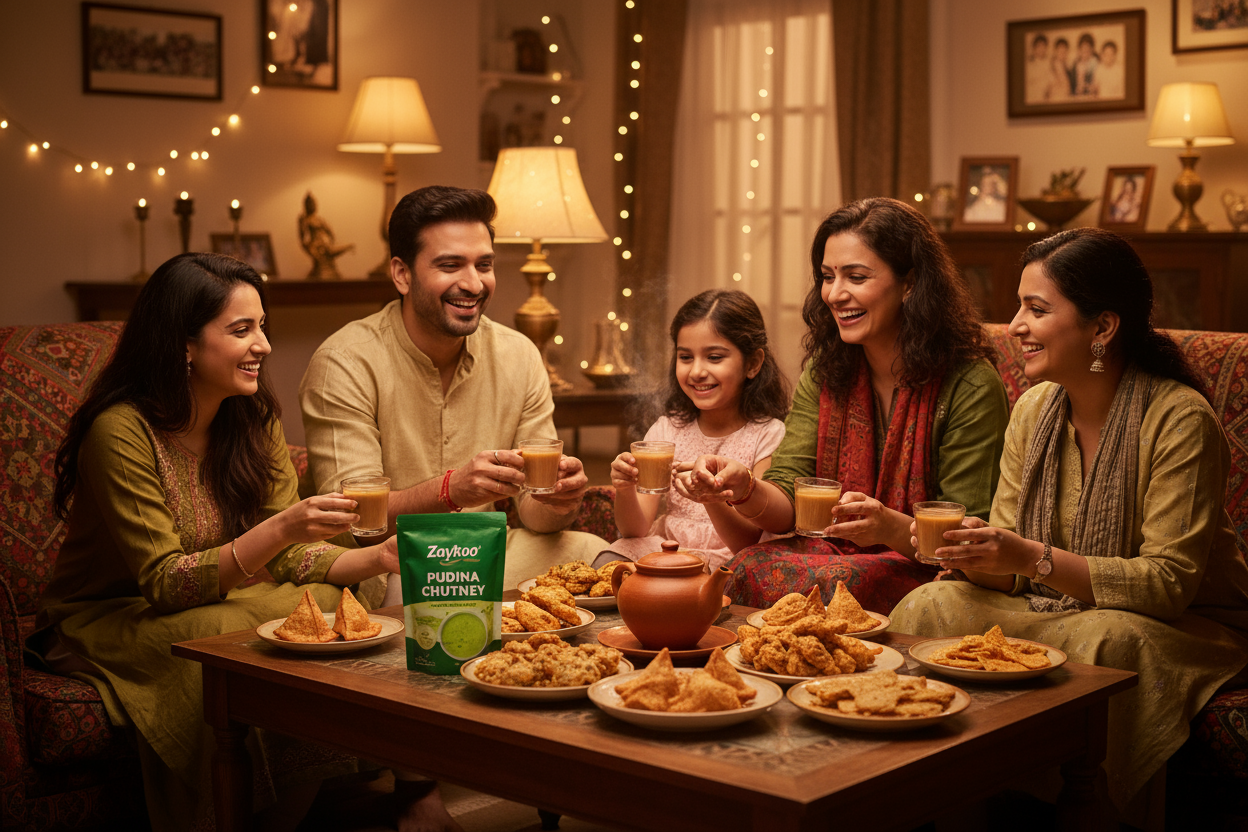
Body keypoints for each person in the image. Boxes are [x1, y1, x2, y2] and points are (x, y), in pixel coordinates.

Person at [32, 253, 403, 832]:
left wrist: (374, 557)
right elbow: (164, 583)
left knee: (327, 608)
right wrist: (281, 526)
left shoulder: (253, 418)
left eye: (262, 326)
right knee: (233, 638)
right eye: (241, 330)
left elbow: (287, 557)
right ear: (182, 343)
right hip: (110, 614)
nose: (264, 346)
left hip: (217, 600)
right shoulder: (120, 432)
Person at [889, 228, 1248, 818]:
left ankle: (1094, 810)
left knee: (1106, 640)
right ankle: (941, 795)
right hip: (1050, 608)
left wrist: (1030, 558)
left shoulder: (1180, 419)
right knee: (933, 605)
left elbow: (1166, 584)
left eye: (1037, 308)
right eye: (1018, 306)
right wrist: (978, 554)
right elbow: (1012, 568)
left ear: (1102, 328)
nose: (1016, 326)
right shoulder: (1033, 408)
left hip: (1181, 624)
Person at [684, 198, 1009, 612]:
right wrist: (744, 487)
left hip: (934, 570)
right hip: (830, 553)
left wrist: (890, 526)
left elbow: (970, 538)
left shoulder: (969, 383)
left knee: (840, 583)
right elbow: (788, 502)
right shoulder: (826, 369)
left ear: (910, 283)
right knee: (746, 565)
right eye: (827, 276)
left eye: (856, 276)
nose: (835, 294)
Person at [299, 185, 607, 595]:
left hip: (486, 552)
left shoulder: (519, 355)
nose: (474, 284)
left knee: (601, 557)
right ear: (402, 274)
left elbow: (534, 516)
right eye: (450, 265)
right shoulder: (344, 362)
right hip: (388, 565)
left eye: (484, 265)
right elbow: (357, 523)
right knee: (400, 587)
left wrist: (558, 502)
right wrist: (451, 490)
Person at [606, 290, 789, 571]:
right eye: (686, 357)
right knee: (611, 558)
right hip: (669, 550)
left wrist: (710, 498)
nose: (696, 372)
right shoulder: (668, 429)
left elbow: (748, 541)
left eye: (714, 357)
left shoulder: (768, 435)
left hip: (732, 561)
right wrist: (625, 487)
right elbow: (635, 529)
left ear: (752, 364)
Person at [1025, 33, 1050, 105]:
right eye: (1039, 46)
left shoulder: (1049, 63)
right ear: (1034, 48)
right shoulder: (1029, 65)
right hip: (1033, 99)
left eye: (1044, 46)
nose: (1041, 49)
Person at [1046, 37, 1073, 102]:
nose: (1063, 54)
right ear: (1055, 51)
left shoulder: (1067, 68)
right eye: (1060, 51)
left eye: (1064, 51)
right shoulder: (1051, 67)